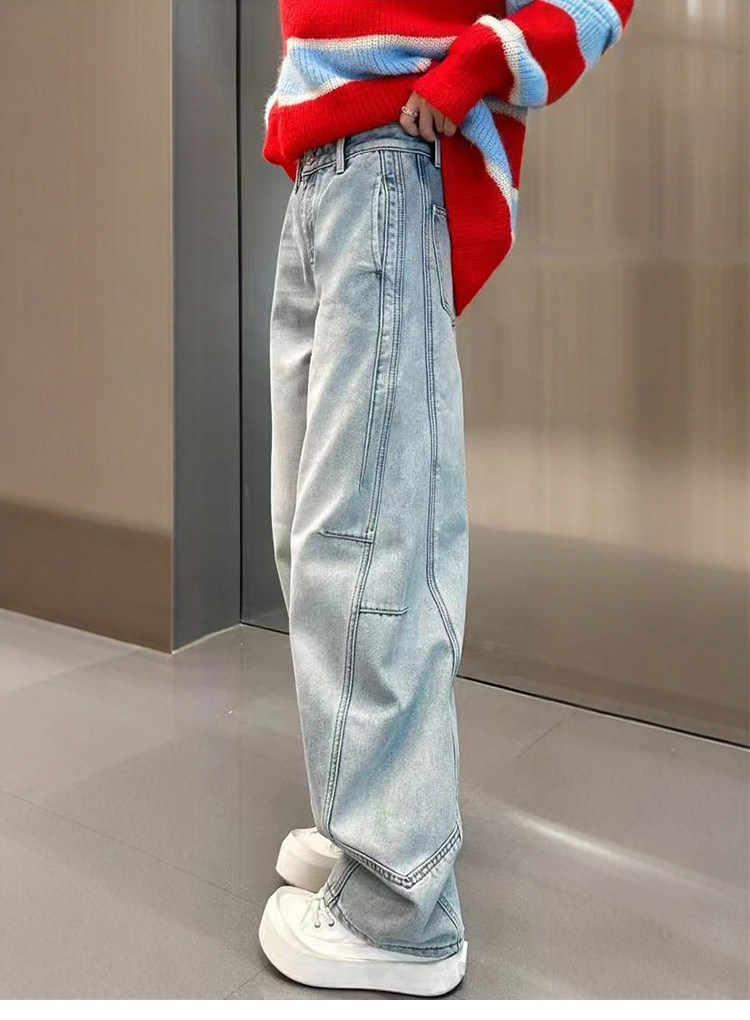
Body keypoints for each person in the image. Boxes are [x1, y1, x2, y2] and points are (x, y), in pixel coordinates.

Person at [258, 0, 634, 997]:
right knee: (314, 534)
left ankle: (400, 908)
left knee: (370, 534)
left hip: (389, 154)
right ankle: (366, 823)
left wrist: (479, 64)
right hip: (325, 166)